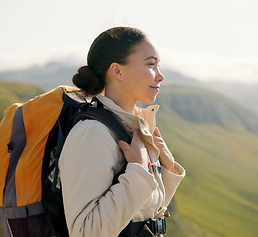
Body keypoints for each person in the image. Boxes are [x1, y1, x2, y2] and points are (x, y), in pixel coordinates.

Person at [59, 26, 186, 237]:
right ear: (117, 71)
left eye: (158, 65)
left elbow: (140, 213)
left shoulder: (133, 127)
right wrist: (138, 170)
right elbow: (85, 232)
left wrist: (168, 169)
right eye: (151, 64)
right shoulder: (92, 133)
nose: (160, 76)